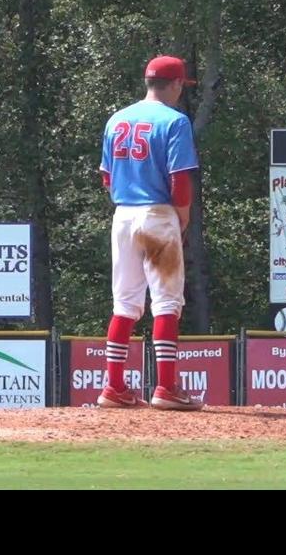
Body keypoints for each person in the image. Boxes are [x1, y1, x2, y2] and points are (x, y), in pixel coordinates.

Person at [96, 55, 202, 411]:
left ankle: (113, 387)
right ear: (173, 84)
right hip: (157, 214)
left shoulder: (117, 119)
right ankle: (167, 388)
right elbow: (180, 179)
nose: (180, 93)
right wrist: (182, 216)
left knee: (125, 302)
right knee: (167, 303)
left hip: (123, 214)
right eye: (180, 87)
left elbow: (107, 178)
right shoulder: (175, 121)